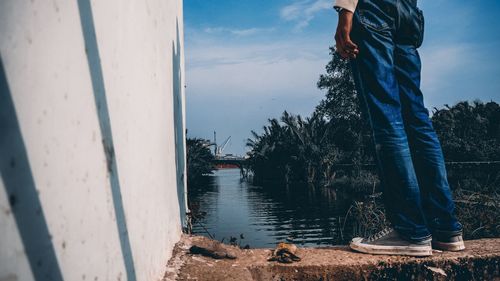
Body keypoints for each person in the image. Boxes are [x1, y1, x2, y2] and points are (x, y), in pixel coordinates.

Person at [333, 0, 465, 256]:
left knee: (387, 116)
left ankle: (411, 231)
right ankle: (446, 229)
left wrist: (346, 9)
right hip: (408, 12)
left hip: (374, 10)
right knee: (417, 119)